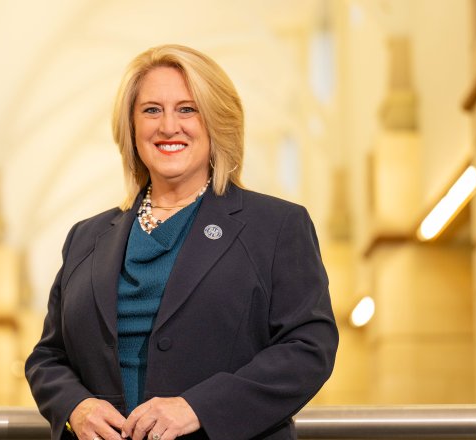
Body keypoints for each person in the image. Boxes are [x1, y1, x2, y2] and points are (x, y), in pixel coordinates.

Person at [25, 44, 338, 440]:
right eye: (151, 110)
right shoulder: (84, 238)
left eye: (187, 109)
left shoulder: (276, 226)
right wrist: (75, 406)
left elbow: (309, 348)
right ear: (131, 127)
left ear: (216, 121)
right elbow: (47, 357)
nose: (168, 126)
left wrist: (199, 408)